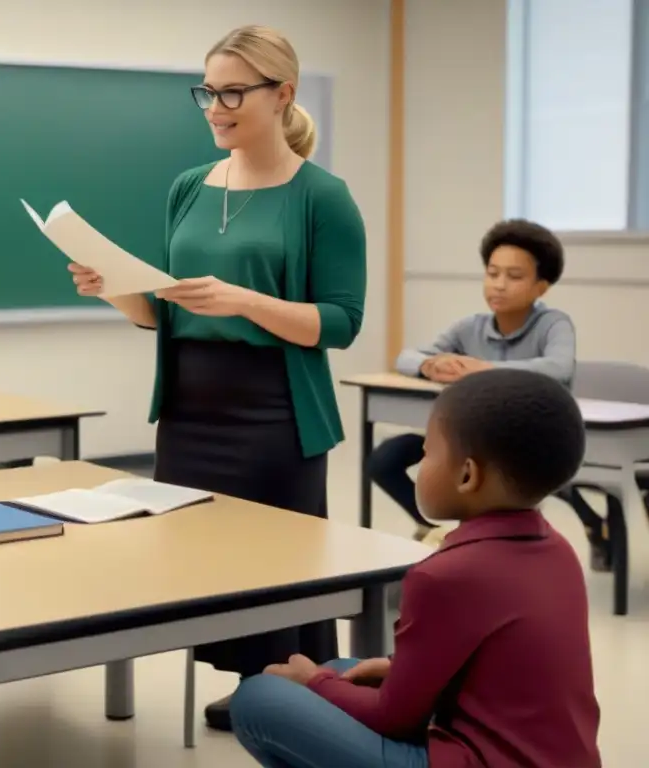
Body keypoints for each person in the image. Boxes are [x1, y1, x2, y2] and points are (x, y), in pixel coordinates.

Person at [69, 24, 367, 731]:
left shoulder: (322, 196)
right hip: (190, 407)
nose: (215, 106)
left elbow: (342, 322)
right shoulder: (186, 188)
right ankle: (249, 683)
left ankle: (292, 686)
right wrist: (109, 287)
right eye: (208, 91)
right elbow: (160, 311)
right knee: (205, 560)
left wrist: (246, 301)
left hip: (275, 411)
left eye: (232, 92)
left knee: (280, 560)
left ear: (281, 94)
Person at [229, 368, 602, 768]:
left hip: (475, 758)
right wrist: (390, 669)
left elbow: (394, 720)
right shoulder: (559, 550)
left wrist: (313, 682)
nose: (420, 464)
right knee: (343, 670)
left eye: (426, 453)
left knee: (259, 697)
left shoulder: (445, 576)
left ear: (467, 475)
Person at [369, 219, 574, 542]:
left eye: (514, 276)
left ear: (542, 286)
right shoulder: (470, 326)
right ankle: (436, 530)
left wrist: (485, 370)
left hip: (524, 445)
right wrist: (430, 365)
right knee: (383, 459)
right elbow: (404, 358)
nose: (500, 284)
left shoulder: (553, 324)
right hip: (468, 438)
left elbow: (559, 368)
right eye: (492, 273)